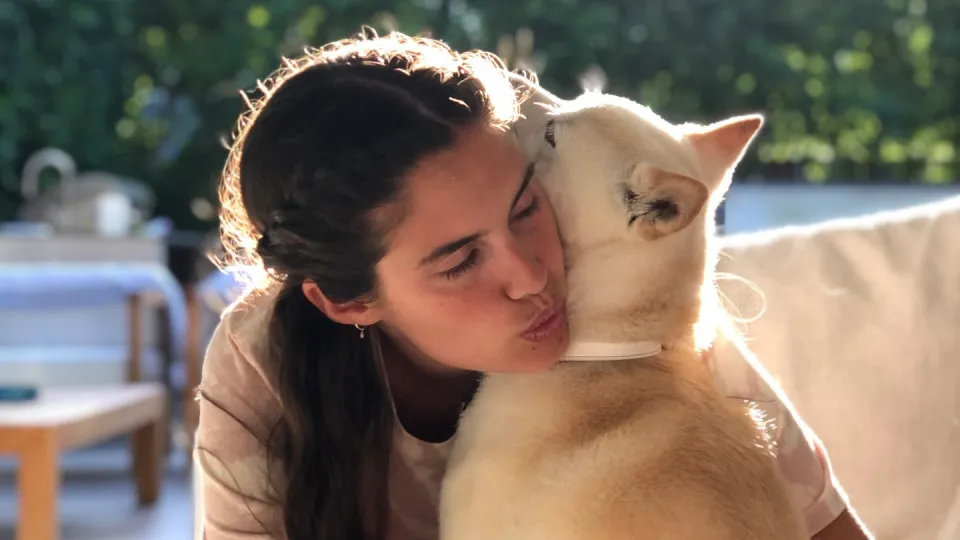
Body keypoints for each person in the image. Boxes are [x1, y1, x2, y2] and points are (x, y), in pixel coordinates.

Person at [196, 30, 871, 540]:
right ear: (349, 301)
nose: (532, 276)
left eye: (525, 209)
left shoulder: (646, 321)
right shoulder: (261, 363)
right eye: (461, 261)